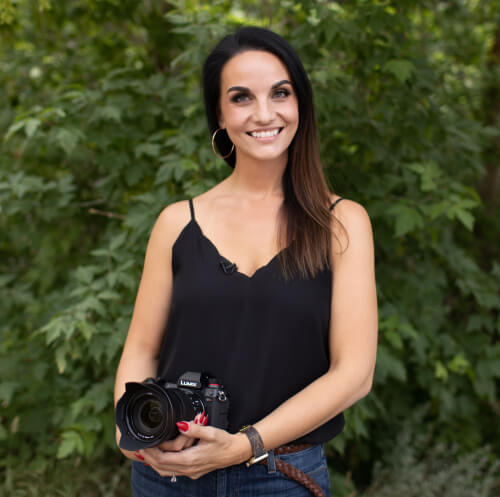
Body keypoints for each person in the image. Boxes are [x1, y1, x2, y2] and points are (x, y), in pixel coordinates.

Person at [114, 26, 378, 497]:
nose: (264, 113)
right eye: (241, 98)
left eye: (281, 93)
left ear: (301, 104)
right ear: (218, 113)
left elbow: (353, 374)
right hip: (168, 477)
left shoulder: (343, 224)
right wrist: (129, 435)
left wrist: (243, 446)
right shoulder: (177, 223)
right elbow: (141, 350)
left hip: (281, 477)